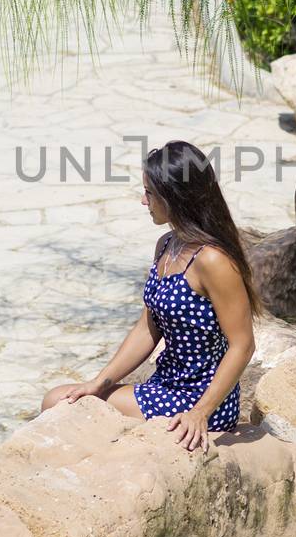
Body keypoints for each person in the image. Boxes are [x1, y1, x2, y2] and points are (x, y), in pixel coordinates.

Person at [41, 140, 261, 453]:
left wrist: (200, 412)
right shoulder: (166, 245)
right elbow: (147, 328)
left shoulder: (213, 261)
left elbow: (243, 345)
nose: (144, 201)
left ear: (175, 198)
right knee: (65, 400)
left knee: (55, 402)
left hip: (198, 398)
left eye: (150, 193)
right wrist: (99, 382)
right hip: (164, 385)